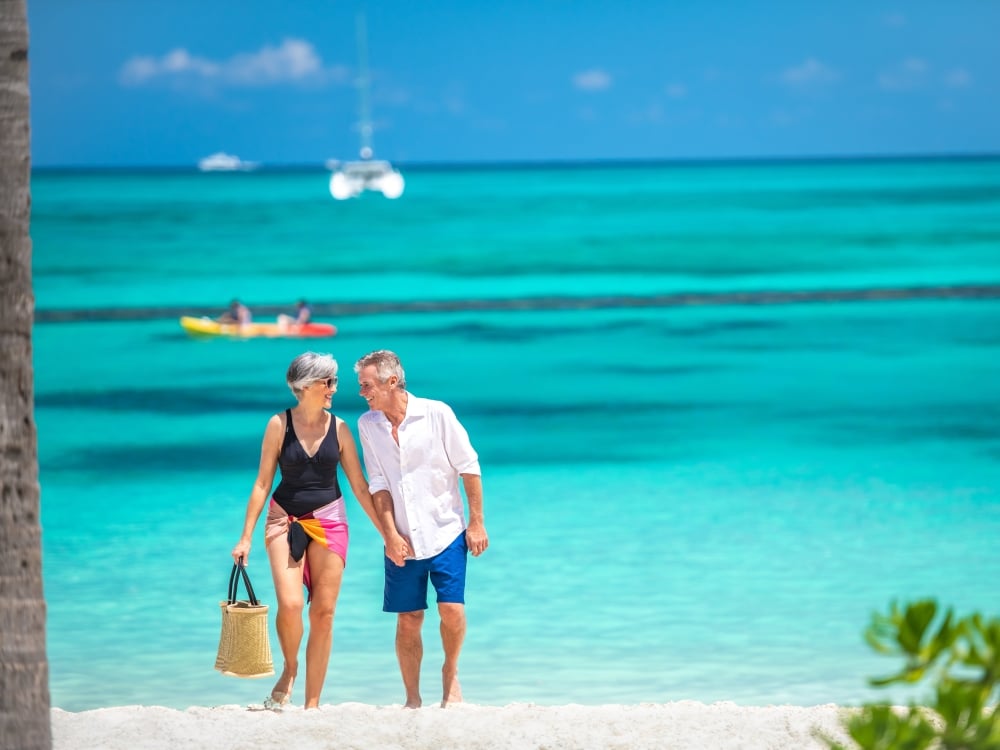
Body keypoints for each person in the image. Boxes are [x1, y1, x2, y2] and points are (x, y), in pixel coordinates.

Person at [231, 352, 381, 710]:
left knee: (324, 613)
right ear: (306, 385)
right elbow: (262, 483)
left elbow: (359, 486)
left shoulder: (340, 428)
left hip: (330, 520)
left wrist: (387, 536)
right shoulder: (278, 425)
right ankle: (290, 668)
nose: (334, 388)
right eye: (328, 381)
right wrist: (245, 536)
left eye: (334, 381)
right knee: (292, 603)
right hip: (284, 519)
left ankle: (312, 704)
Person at [353, 349, 489, 708]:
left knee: (452, 610)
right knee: (409, 619)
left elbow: (469, 466)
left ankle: (451, 672)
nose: (361, 392)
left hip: (446, 532)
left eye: (366, 385)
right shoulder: (368, 425)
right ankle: (412, 698)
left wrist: (476, 522)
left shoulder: (437, 414)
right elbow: (378, 483)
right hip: (402, 538)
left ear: (391, 381)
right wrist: (389, 535)